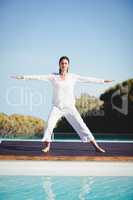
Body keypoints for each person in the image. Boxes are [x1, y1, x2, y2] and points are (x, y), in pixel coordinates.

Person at [11, 56, 114, 153]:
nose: (64, 65)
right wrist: (23, 77)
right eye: (62, 63)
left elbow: (88, 79)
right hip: (57, 107)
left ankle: (96, 146)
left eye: (66, 63)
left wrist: (103, 81)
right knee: (49, 125)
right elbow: (38, 77)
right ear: (59, 65)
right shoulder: (53, 76)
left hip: (70, 108)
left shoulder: (73, 77)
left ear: (68, 65)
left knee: (81, 125)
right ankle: (47, 146)